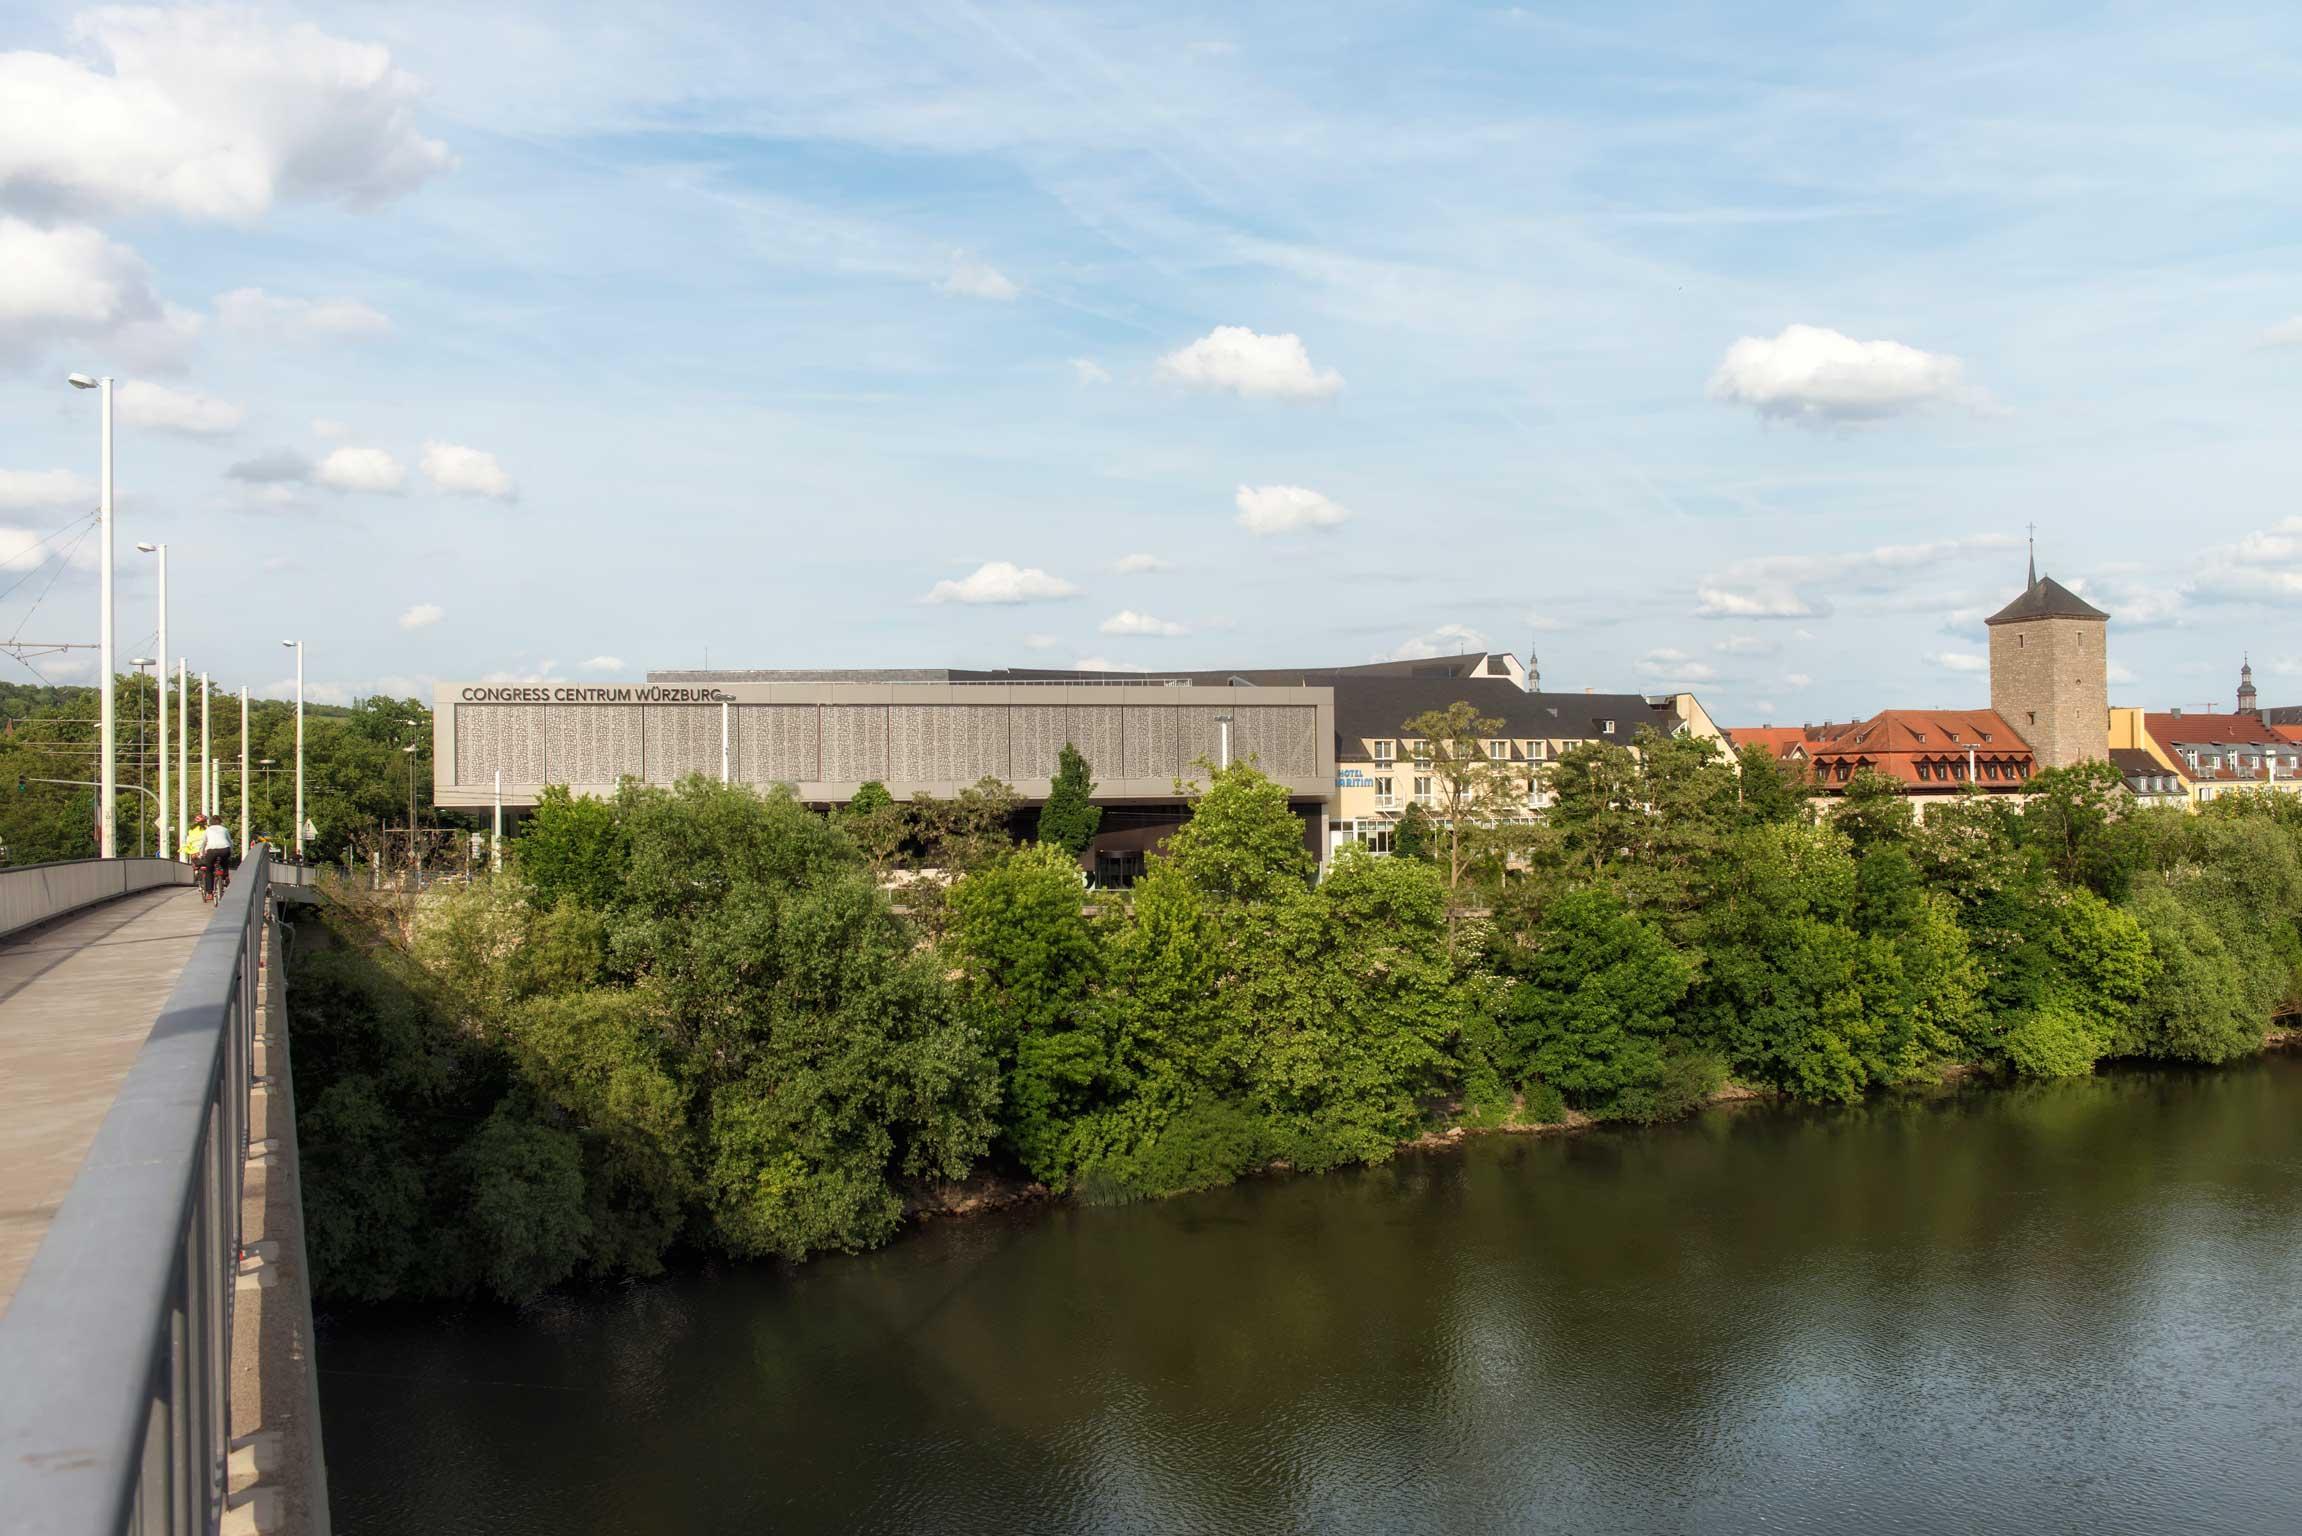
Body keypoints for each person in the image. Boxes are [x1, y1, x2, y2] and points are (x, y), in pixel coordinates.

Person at [199, 816, 234, 900]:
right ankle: (226, 877)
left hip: (211, 850)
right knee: (224, 862)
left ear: (210, 822)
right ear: (220, 822)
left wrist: (201, 853)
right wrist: (231, 852)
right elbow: (230, 842)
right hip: (225, 849)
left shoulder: (208, 830)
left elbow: (203, 843)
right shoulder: (224, 829)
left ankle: (209, 893)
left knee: (209, 869)